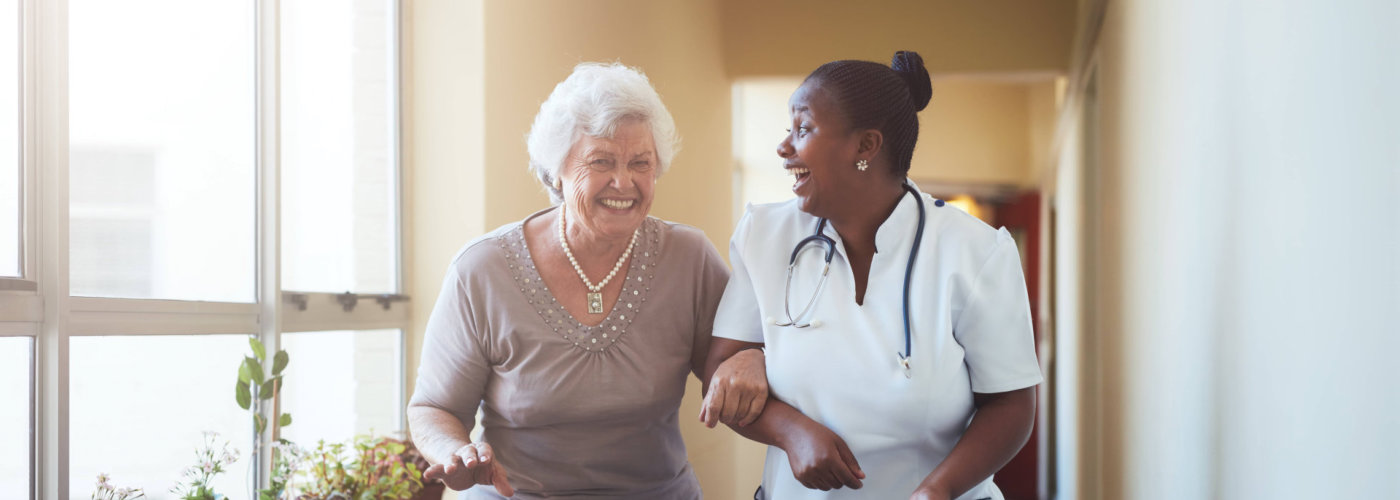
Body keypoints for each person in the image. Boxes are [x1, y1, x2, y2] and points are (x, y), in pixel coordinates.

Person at [408, 62, 762, 500]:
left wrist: (750, 357)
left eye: (640, 163)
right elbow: (435, 407)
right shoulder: (482, 269)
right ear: (556, 169)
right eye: (601, 161)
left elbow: (737, 355)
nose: (624, 181)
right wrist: (456, 452)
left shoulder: (688, 258)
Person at [700, 51, 1043, 500]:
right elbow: (718, 379)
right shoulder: (763, 235)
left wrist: (937, 491)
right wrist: (792, 432)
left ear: (866, 146)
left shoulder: (975, 252)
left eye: (802, 129)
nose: (784, 147)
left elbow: (1011, 403)